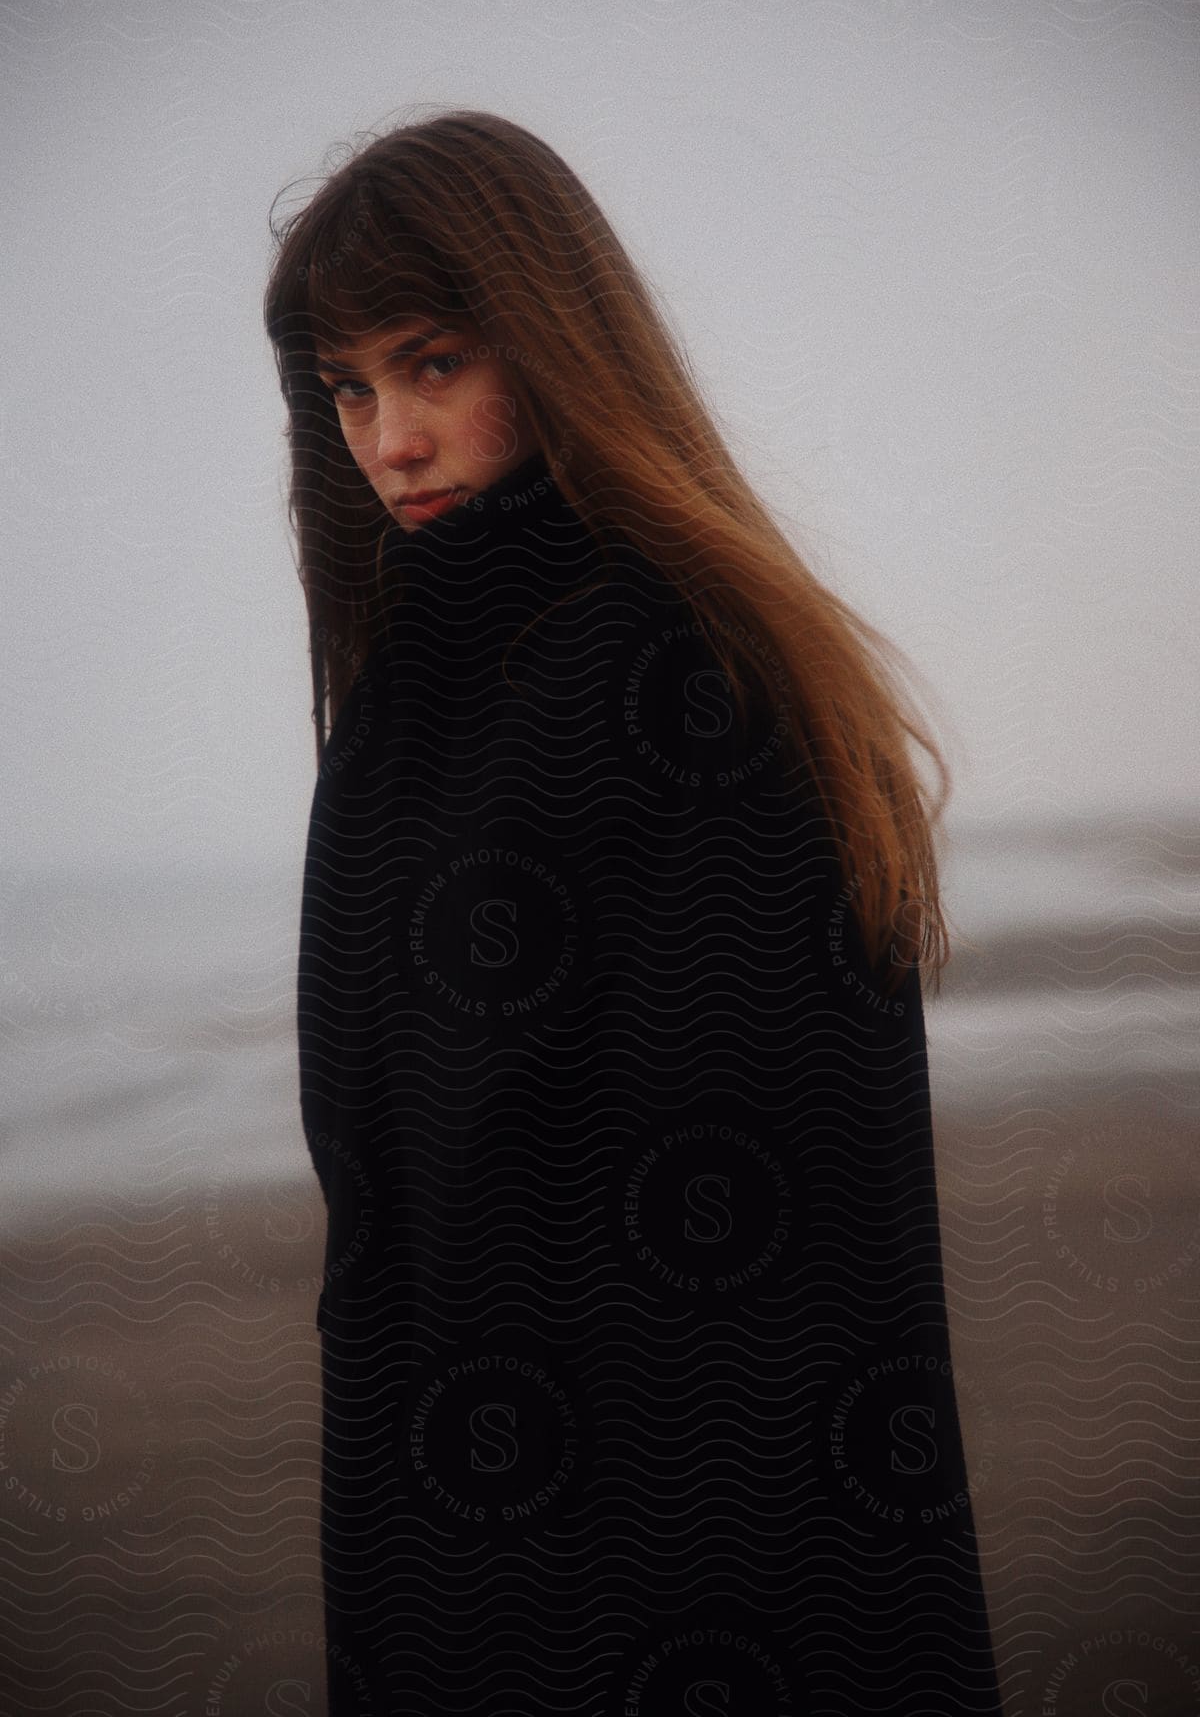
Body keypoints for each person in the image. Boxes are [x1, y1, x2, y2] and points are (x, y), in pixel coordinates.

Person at [263, 109, 1004, 1716]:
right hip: (441, 1495)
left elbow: (762, 1257)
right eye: (347, 388)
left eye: (435, 362)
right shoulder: (417, 689)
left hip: (680, 1551)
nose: (386, 439)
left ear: (555, 339)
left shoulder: (689, 673)